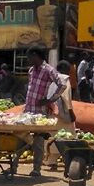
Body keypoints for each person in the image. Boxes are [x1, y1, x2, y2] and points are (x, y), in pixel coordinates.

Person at [24, 47, 66, 179]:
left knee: (38, 141)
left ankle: (36, 169)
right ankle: (13, 166)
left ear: (36, 55)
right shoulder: (31, 71)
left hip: (39, 113)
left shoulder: (48, 70)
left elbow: (62, 84)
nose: (28, 60)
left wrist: (50, 100)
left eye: (29, 57)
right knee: (20, 137)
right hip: (27, 111)